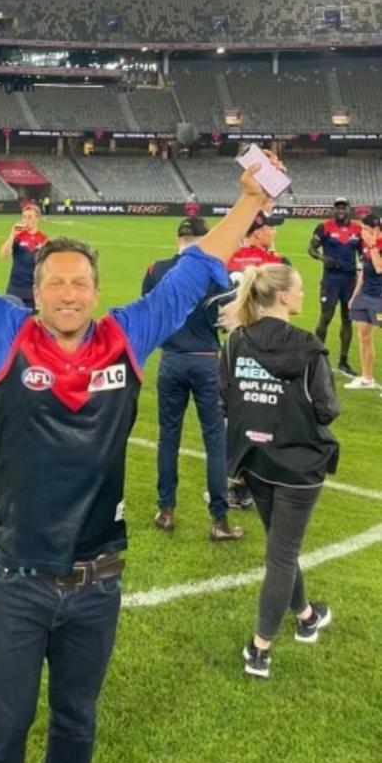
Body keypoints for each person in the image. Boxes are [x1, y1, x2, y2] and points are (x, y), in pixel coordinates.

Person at [0, 139, 273, 763]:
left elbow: (195, 272)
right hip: (17, 582)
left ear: (95, 290)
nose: (67, 292)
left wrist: (250, 199)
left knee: (76, 725)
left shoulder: (126, 336)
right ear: (37, 290)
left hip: (97, 582)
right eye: (54, 280)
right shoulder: (8, 333)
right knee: (2, 730)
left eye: (79, 282)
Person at [220, 264, 339, 679]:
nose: (305, 295)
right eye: (301, 288)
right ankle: (260, 649)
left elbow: (226, 400)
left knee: (281, 548)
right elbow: (327, 409)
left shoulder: (236, 341)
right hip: (298, 466)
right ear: (284, 297)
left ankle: (306, 615)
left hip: (255, 460)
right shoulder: (307, 347)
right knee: (282, 554)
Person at [142, 216, 242, 541]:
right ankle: (219, 520)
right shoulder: (215, 272)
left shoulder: (155, 269)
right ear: (205, 238)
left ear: (178, 238)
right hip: (206, 361)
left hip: (171, 359)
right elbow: (229, 319)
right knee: (214, 439)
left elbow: (149, 312)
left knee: (168, 437)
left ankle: (166, 510)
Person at [309, 198, 362, 376]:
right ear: (334, 210)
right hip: (330, 279)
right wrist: (324, 259)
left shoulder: (358, 229)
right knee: (326, 317)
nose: (340, 210)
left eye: (343, 207)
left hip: (350, 280)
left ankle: (343, 362)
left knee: (348, 319)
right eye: (337, 207)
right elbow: (311, 249)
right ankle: (317, 359)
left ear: (349, 209)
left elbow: (363, 253)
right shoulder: (324, 227)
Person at [343, 213, 382, 390]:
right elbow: (364, 273)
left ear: (375, 230)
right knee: (363, 335)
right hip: (365, 295)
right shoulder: (366, 244)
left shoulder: (375, 244)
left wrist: (372, 244)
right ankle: (367, 378)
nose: (362, 233)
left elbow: (379, 268)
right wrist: (354, 296)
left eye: (366, 229)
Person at [0, 203, 48, 309]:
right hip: (15, 287)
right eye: (24, 217)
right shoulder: (18, 237)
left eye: (30, 217)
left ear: (37, 218)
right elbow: (3, 254)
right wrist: (12, 234)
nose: (26, 220)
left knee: (30, 322)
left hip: (33, 289)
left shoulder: (43, 240)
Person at [227, 212, 288, 286]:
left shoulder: (226, 260)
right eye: (271, 228)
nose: (275, 232)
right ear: (258, 233)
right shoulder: (277, 262)